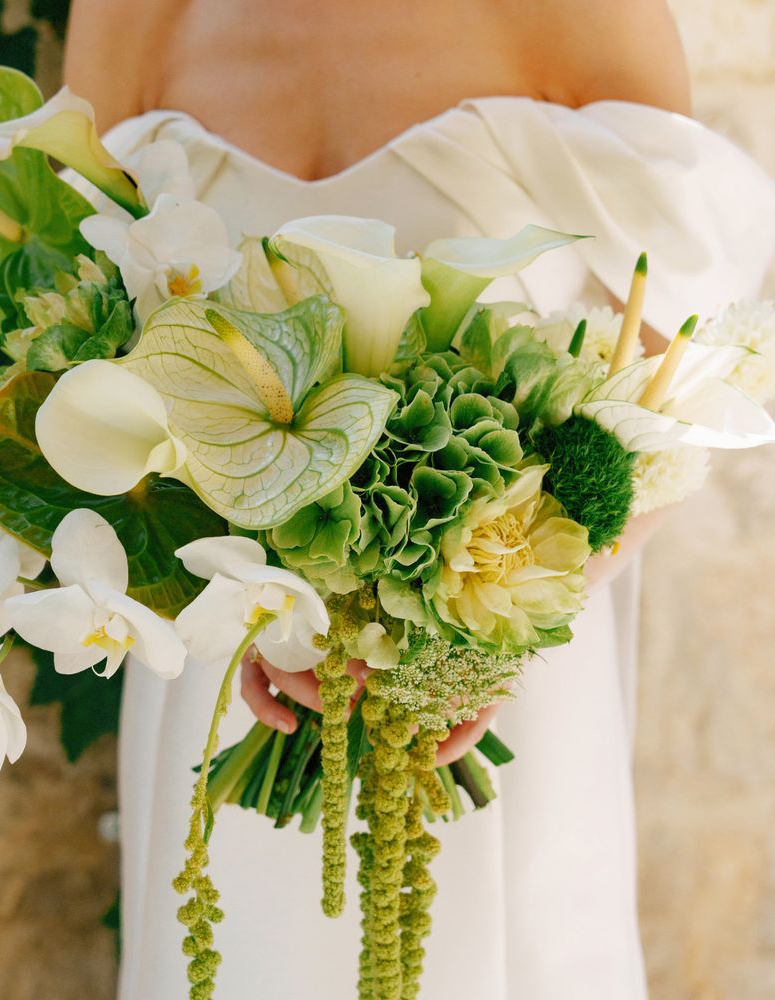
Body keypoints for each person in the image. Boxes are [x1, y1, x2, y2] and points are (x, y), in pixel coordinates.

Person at [63, 2, 775, 997]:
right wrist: (239, 601)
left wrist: (474, 635)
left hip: (492, 680)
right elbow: (81, 352)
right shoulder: (132, 13)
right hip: (232, 668)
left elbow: (675, 389)